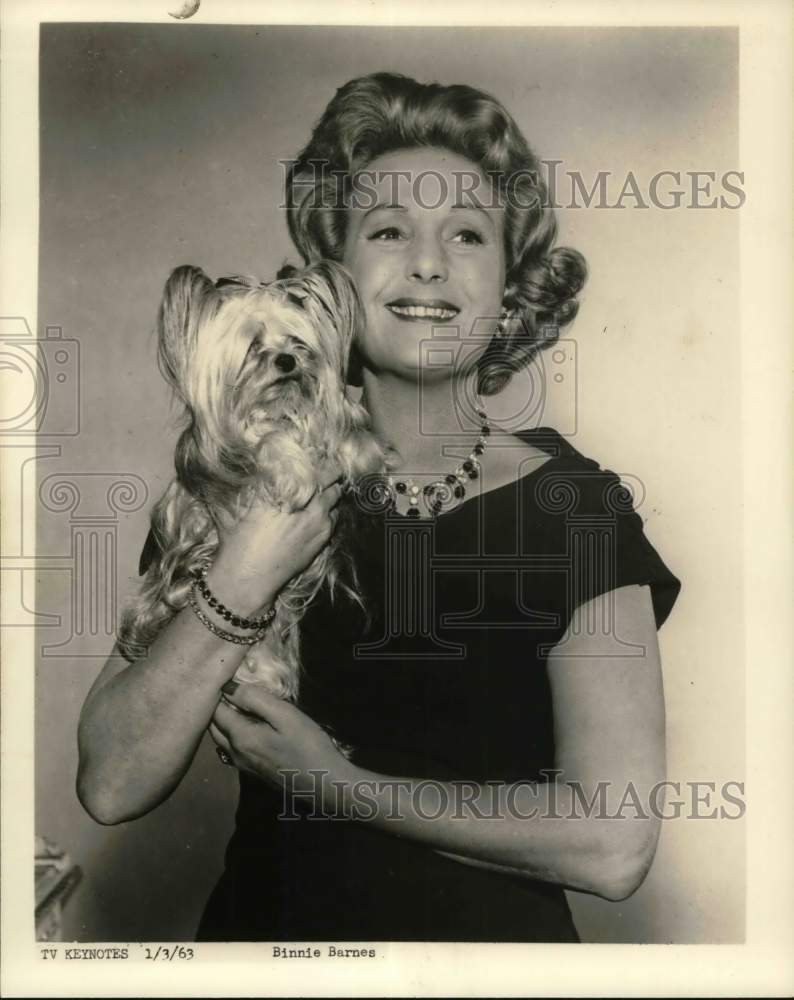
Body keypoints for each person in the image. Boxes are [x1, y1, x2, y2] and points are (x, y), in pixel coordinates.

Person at [77, 72, 681, 943]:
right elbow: (111, 783)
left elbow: (614, 845)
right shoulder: (235, 477)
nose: (428, 262)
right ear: (336, 275)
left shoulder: (574, 509)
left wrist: (333, 782)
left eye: (468, 235)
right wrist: (247, 567)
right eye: (389, 229)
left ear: (511, 285)